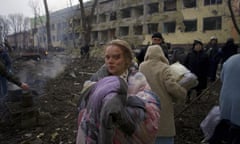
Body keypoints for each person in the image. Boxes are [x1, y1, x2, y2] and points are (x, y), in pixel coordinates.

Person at [76, 39, 161, 144]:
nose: (110, 61)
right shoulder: (97, 79)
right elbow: (84, 108)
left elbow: (149, 107)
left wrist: (122, 109)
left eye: (116, 57)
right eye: (107, 57)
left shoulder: (137, 79)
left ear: (127, 59)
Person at [139, 45, 187, 144]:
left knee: (147, 130)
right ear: (161, 54)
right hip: (162, 106)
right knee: (163, 131)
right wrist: (182, 92)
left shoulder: (142, 66)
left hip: (145, 104)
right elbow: (171, 86)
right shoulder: (164, 67)